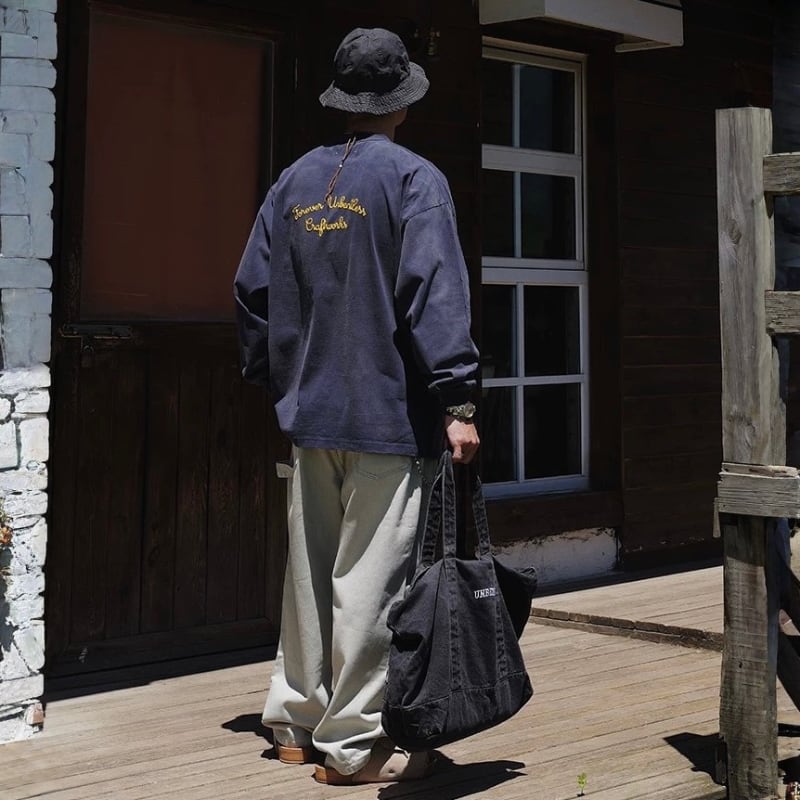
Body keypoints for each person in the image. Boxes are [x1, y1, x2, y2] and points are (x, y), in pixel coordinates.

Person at [233, 27, 480, 786]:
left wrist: (280, 380)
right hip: (387, 418)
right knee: (371, 583)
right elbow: (433, 293)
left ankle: (294, 723)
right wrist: (458, 399)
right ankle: (357, 746)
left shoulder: (293, 182)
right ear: (400, 103)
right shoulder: (414, 179)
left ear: (343, 99)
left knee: (307, 581)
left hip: (311, 417)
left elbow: (252, 293)